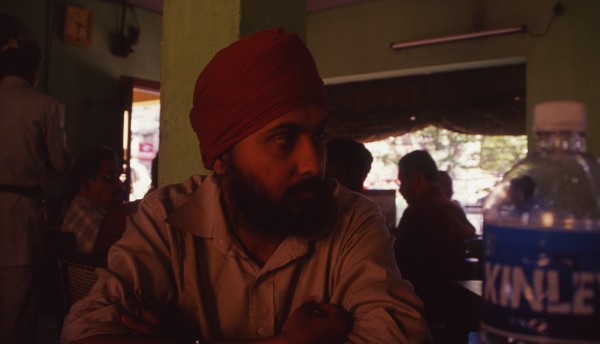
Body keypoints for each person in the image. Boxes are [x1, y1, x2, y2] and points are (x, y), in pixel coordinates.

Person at [61, 28, 431, 344]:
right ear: (222, 158)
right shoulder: (166, 220)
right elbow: (88, 332)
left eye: (318, 135)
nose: (312, 163)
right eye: (284, 139)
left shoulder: (352, 220)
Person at [0, 44, 72, 344]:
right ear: (33, 72)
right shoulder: (44, 105)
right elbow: (60, 161)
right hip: (22, 212)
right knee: (18, 307)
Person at [391, 150, 475, 332]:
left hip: (424, 313)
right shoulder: (453, 210)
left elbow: (398, 267)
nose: (401, 188)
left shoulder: (418, 213)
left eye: (402, 181)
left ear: (415, 176)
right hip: (454, 313)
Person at [59, 147, 127, 254]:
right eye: (110, 177)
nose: (119, 184)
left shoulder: (79, 206)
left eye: (118, 176)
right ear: (86, 183)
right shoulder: (90, 218)